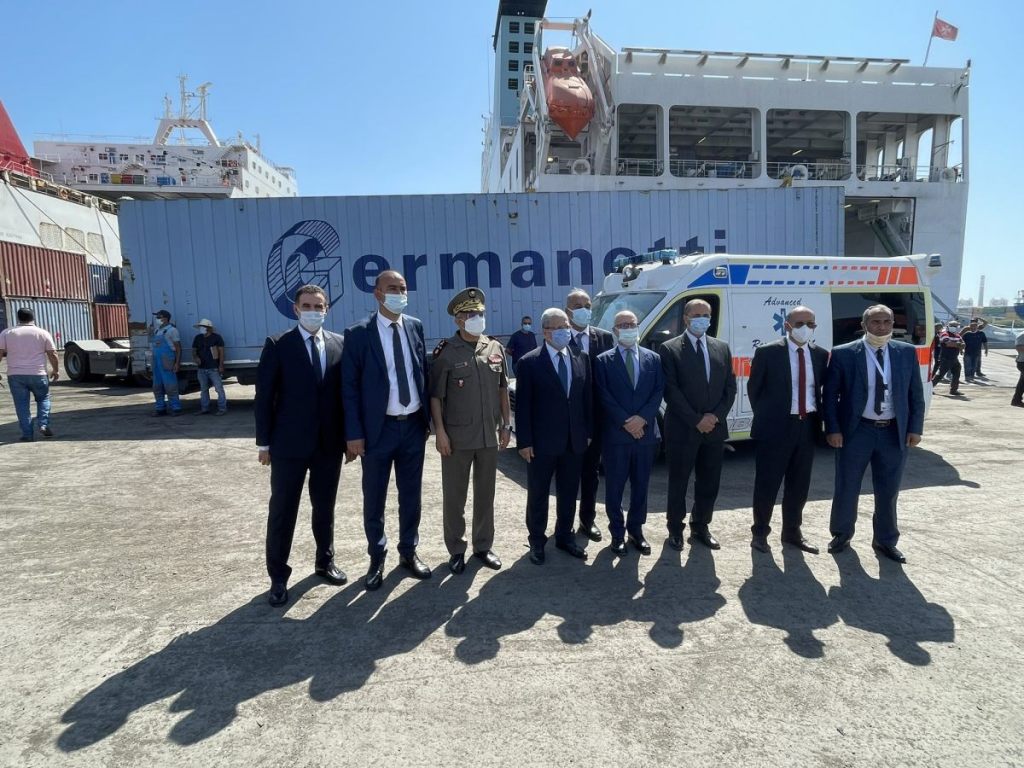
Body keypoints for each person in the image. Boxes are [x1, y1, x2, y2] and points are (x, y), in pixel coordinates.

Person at [255, 285, 348, 607]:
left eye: (318, 306)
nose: (313, 311)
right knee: (283, 511)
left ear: (327, 309)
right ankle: (278, 577)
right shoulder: (278, 344)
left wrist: (349, 438)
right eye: (306, 306)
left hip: (328, 445)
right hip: (288, 446)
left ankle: (325, 561)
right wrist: (264, 443)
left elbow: (344, 396)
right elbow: (264, 397)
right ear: (295, 309)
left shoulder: (339, 344)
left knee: (324, 508)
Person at [342, 270, 431, 589]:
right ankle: (377, 556)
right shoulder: (358, 334)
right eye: (392, 288)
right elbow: (349, 387)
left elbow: (422, 372)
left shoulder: (415, 326)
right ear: (377, 294)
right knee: (375, 497)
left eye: (403, 288)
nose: (399, 293)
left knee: (411, 495)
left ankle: (408, 551)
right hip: (377, 432)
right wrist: (354, 433)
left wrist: (428, 423)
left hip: (413, 427)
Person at [824, 304, 925, 563]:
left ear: (893, 324)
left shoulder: (906, 352)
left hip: (893, 431)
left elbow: (915, 394)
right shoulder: (844, 353)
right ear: (864, 324)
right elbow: (830, 396)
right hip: (857, 431)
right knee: (847, 485)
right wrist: (833, 429)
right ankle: (841, 534)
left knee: (889, 489)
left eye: (886, 322)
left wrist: (915, 428)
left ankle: (885, 540)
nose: (881, 327)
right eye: (876, 322)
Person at [429, 287, 511, 574]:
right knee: (455, 497)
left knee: (485, 494)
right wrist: (440, 432)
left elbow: (503, 390)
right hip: (457, 438)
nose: (477, 318)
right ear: (458, 320)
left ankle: (483, 545)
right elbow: (436, 397)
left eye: (480, 313)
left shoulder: (494, 348)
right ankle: (456, 549)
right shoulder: (446, 352)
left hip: (489, 435)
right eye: (471, 314)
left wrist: (506, 425)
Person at [747, 306, 829, 555]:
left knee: (799, 485)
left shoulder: (820, 355)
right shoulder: (768, 353)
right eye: (800, 323)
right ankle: (760, 533)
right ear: (787, 325)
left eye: (810, 324)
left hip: (807, 427)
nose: (805, 328)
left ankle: (792, 532)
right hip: (776, 428)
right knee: (767, 483)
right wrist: (770, 417)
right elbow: (754, 390)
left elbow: (821, 391)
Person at [515, 307, 592, 565]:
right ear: (545, 332)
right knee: (538, 493)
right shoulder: (529, 363)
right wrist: (524, 442)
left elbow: (586, 399)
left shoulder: (581, 357)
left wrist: (588, 432)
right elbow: (523, 406)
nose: (564, 331)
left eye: (566, 326)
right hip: (542, 443)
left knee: (569, 492)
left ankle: (565, 536)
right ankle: (537, 540)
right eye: (558, 328)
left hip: (574, 440)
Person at [660, 299, 736, 551]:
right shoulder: (670, 349)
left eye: (706, 315)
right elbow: (671, 391)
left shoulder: (721, 347)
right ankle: (675, 528)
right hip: (683, 429)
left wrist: (715, 417)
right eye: (697, 315)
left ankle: (701, 525)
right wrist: (696, 420)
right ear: (686, 318)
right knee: (679, 481)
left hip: (714, 429)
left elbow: (730, 388)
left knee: (709, 481)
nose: (702, 319)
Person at [592, 310, 664, 556]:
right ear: (614, 331)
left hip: (645, 434)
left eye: (631, 324)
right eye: (622, 325)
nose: (628, 328)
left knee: (641, 486)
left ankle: (636, 531)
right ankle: (617, 534)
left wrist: (642, 419)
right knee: (614, 487)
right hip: (616, 436)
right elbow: (603, 395)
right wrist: (626, 422)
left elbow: (658, 391)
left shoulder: (653, 358)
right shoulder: (603, 361)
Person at [565, 288, 615, 543]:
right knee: (568, 474)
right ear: (567, 311)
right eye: (578, 306)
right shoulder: (559, 338)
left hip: (596, 419)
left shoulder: (604, 338)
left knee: (591, 473)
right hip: (569, 420)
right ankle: (564, 525)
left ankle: (587, 520)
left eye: (587, 305)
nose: (584, 310)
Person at [0, 307, 59, 442]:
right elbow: (53, 353)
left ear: (18, 318)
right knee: (43, 399)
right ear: (33, 317)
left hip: (15, 375)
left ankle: (27, 434)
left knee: (21, 405)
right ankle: (43, 424)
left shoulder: (7, 333)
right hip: (38, 374)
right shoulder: (42, 333)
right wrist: (55, 370)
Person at [150, 309, 182, 416]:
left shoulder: (172, 330)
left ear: (166, 318)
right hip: (156, 362)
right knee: (157, 386)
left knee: (170, 386)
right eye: (157, 317)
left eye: (159, 317)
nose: (157, 319)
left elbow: (178, 348)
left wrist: (177, 363)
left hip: (167, 360)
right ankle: (160, 409)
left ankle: (176, 408)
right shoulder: (156, 330)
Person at [192, 318, 227, 415]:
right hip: (201, 368)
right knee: (204, 390)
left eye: (202, 327)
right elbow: (194, 351)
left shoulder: (217, 338)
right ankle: (205, 408)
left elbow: (221, 352)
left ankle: (222, 409)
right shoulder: (198, 338)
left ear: (208, 328)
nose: (201, 328)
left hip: (213, 368)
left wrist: (221, 365)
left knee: (219, 389)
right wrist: (196, 358)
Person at [932, 320, 964, 396]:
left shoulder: (957, 335)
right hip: (945, 358)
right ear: (949, 326)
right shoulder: (944, 334)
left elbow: (963, 344)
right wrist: (958, 344)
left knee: (957, 372)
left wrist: (958, 345)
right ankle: (929, 388)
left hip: (954, 358)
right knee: (940, 374)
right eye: (953, 326)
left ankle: (954, 390)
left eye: (956, 326)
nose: (955, 327)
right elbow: (948, 344)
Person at [960, 319, 988, 383]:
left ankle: (973, 375)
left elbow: (985, 342)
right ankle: (967, 377)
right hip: (968, 352)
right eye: (972, 326)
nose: (973, 327)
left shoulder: (981, 332)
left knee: (974, 365)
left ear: (977, 326)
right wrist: (961, 349)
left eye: (975, 325)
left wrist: (986, 350)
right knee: (967, 365)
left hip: (977, 352)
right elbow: (961, 339)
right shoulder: (966, 331)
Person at [1012, 331, 1024, 408]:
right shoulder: (1022, 335)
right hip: (1022, 362)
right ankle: (1016, 400)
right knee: (1022, 383)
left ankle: (1016, 400)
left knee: (1022, 383)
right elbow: (1018, 347)